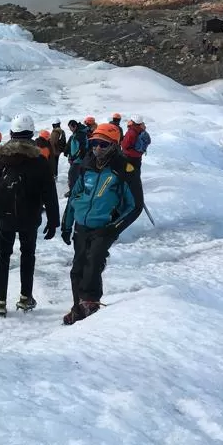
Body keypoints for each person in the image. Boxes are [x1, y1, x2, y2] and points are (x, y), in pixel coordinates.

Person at [61, 122, 144, 323]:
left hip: (104, 227)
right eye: (95, 143)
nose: (98, 147)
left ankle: (90, 305)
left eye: (103, 144)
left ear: (114, 145)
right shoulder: (86, 165)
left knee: (94, 263)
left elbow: (135, 205)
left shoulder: (124, 169)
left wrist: (113, 227)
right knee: (77, 268)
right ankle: (78, 307)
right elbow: (74, 197)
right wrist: (66, 224)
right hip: (82, 224)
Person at [0, 113, 60, 317]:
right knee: (28, 256)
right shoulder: (40, 161)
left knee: (2, 258)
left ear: (11, 133)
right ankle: (26, 298)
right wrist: (54, 221)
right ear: (31, 134)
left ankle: (0, 302)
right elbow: (50, 194)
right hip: (30, 217)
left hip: (5, 216)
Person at [66, 119, 90, 195]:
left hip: (79, 160)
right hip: (77, 159)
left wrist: (74, 158)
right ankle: (77, 191)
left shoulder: (80, 134)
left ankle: (73, 192)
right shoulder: (76, 133)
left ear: (75, 126)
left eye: (71, 128)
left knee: (72, 175)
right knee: (77, 176)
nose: (70, 130)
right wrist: (70, 155)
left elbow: (81, 149)